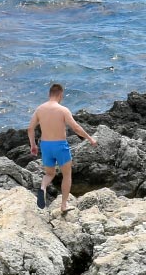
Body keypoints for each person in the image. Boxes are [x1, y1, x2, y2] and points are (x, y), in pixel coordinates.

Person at [27, 83, 98, 214]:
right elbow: (76, 128)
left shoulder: (40, 109)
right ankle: (64, 205)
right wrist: (90, 138)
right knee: (66, 175)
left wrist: (33, 145)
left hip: (46, 145)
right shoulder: (63, 110)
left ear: (49, 94)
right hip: (60, 146)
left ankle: (43, 187)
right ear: (60, 95)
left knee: (49, 173)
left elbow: (30, 128)